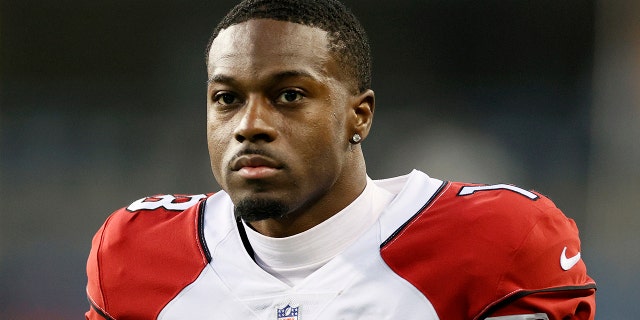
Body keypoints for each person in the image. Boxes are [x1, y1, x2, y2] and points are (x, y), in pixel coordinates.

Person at [84, 0, 596, 319]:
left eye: (288, 95)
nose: (249, 124)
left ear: (360, 115)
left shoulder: (496, 243)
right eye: (227, 98)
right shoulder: (136, 253)